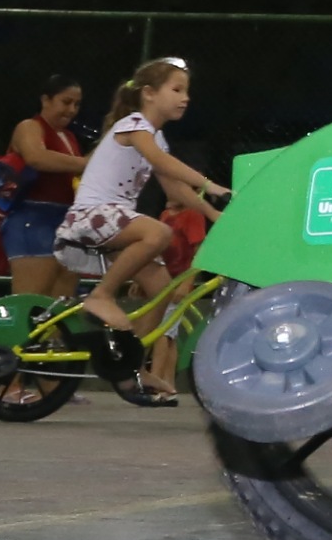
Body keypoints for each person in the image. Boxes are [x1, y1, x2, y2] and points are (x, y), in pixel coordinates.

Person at [55, 58, 228, 403]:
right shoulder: (133, 125)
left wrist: (214, 213)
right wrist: (210, 185)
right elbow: (164, 164)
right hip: (91, 215)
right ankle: (101, 296)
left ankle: (132, 366)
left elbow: (176, 190)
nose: (185, 98)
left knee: (165, 293)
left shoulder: (157, 139)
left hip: (113, 221)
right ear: (148, 94)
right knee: (158, 234)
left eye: (187, 92)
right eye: (176, 90)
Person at [0, 78, 87, 301]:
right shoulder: (29, 127)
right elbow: (37, 158)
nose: (71, 110)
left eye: (76, 104)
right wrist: (88, 162)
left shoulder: (70, 137)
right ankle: (18, 336)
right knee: (31, 301)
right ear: (45, 100)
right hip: (33, 218)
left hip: (66, 221)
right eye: (66, 102)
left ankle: (54, 337)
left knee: (60, 302)